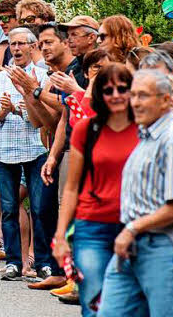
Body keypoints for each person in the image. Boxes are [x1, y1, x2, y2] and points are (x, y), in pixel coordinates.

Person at [94, 68, 173, 316]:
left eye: (143, 95)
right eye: (133, 94)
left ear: (166, 100)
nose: (134, 102)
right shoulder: (145, 135)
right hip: (130, 245)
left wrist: (133, 228)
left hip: (162, 245)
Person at [50, 62, 136, 316]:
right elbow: (71, 187)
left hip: (134, 226)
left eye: (123, 88)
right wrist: (61, 236)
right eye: (108, 90)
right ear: (99, 94)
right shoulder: (87, 129)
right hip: (92, 224)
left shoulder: (145, 129)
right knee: (93, 301)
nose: (116, 95)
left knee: (129, 303)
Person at [0, 26, 57, 282]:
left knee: (40, 208)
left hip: (35, 150)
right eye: (12, 44)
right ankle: (14, 261)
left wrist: (19, 109)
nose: (15, 49)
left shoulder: (42, 76)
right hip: (4, 151)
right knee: (9, 208)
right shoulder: (0, 78)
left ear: (32, 47)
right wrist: (2, 113)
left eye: (21, 44)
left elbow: (46, 117)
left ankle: (44, 263)